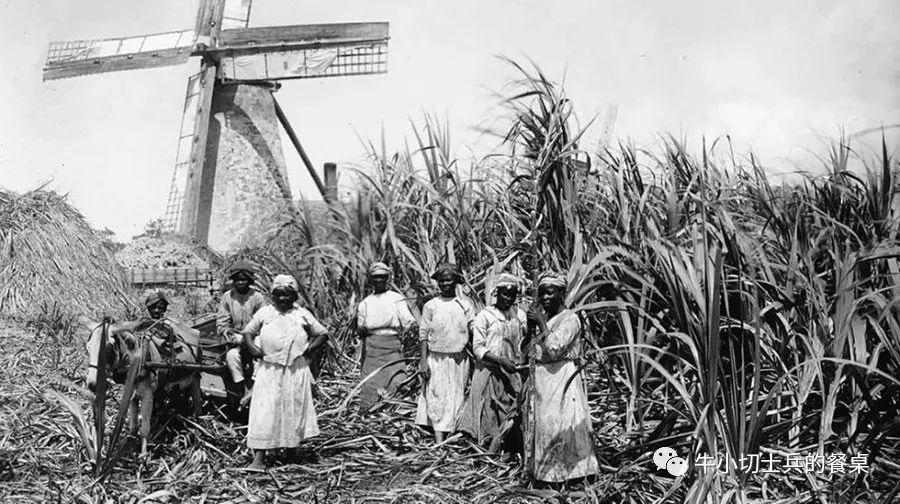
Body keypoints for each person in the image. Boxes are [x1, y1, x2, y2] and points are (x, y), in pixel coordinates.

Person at [241, 274, 329, 470]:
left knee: (293, 410)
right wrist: (252, 347)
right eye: (279, 294)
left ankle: (291, 453)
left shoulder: (302, 314)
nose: (283, 298)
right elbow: (248, 332)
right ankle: (259, 459)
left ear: (294, 296)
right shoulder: (265, 313)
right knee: (264, 411)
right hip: (269, 369)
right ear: (273, 295)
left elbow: (322, 334)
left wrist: (309, 349)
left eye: (287, 295)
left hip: (294, 370)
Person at [523, 272, 599, 483]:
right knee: (544, 425)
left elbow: (555, 348)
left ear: (561, 293)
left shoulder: (570, 318)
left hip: (561, 376)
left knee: (561, 423)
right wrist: (530, 328)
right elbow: (525, 351)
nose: (545, 298)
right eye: (542, 294)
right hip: (542, 380)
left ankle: (571, 474)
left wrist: (541, 324)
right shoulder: (544, 319)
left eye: (550, 293)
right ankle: (546, 473)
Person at [458, 273, 527, 452]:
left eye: (512, 295)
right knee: (489, 410)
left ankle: (509, 445)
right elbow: (478, 348)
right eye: (504, 294)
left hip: (513, 370)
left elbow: (525, 340)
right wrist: (500, 361)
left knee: (512, 409)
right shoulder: (485, 316)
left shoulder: (519, 315)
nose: (508, 298)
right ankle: (488, 446)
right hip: (489, 371)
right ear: (497, 293)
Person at [415, 263, 475, 443]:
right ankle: (438, 438)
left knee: (456, 395)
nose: (445, 284)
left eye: (448, 280)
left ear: (456, 281)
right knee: (438, 396)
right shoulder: (431, 306)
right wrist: (423, 361)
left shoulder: (465, 305)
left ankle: (452, 436)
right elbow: (423, 334)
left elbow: (473, 329)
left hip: (459, 359)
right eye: (441, 281)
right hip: (437, 358)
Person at [356, 262, 417, 411]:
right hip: (372, 348)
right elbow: (360, 328)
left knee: (396, 379)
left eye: (382, 277)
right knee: (371, 381)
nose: (379, 280)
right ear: (371, 279)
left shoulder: (396, 298)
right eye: (376, 277)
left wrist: (417, 331)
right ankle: (370, 410)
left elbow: (408, 321)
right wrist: (361, 331)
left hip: (392, 346)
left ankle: (396, 410)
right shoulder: (365, 303)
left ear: (387, 278)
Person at [218, 261, 268, 407]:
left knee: (258, 353)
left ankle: (254, 385)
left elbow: (264, 320)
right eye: (238, 279)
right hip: (236, 336)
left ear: (249, 281)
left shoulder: (257, 297)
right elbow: (222, 321)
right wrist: (228, 333)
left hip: (255, 336)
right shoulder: (227, 297)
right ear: (233, 281)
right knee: (231, 357)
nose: (240, 282)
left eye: (244, 279)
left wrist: (251, 337)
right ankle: (241, 388)